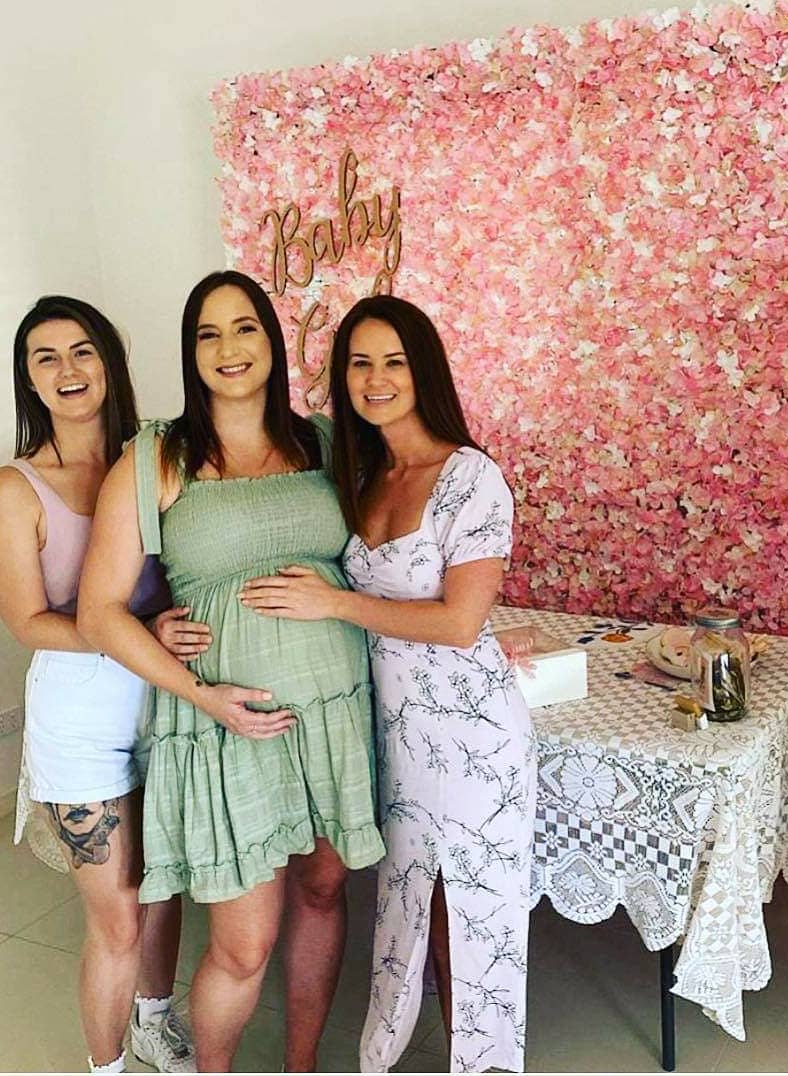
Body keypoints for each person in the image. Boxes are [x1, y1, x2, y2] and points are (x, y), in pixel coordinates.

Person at [77, 271, 384, 1072]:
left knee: (322, 892)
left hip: (333, 711)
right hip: (225, 727)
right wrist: (201, 694)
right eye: (207, 335)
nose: (227, 349)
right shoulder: (159, 456)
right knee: (244, 944)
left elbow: (395, 556)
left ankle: (302, 1067)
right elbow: (98, 610)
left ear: (271, 341)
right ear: (191, 353)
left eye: (243, 328)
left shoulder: (321, 439)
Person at [240, 295, 536, 1073]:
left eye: (393, 361)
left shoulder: (471, 477)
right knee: (407, 900)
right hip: (396, 731)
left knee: (475, 911)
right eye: (359, 363)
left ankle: (484, 1064)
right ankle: (390, 1049)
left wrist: (332, 601)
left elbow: (459, 622)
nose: (375, 379)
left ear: (424, 369)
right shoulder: (364, 472)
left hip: (474, 735)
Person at [0, 296, 202, 1074]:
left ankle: (154, 1020)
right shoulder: (19, 487)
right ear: (29, 379)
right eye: (45, 357)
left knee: (163, 882)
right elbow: (28, 620)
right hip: (80, 717)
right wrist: (131, 634)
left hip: (166, 697)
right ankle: (106, 1067)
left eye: (81, 351)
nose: (67, 370)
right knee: (115, 916)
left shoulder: (155, 457)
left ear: (109, 362)